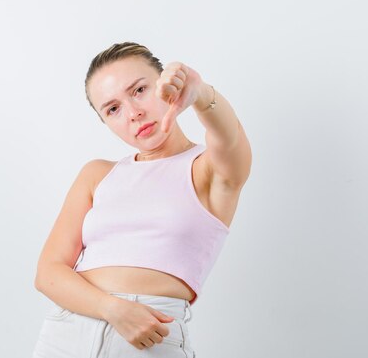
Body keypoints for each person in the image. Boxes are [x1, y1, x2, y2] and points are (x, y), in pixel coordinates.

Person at [32, 42, 252, 358]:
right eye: (113, 108)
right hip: (66, 334)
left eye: (139, 90)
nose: (134, 113)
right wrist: (113, 309)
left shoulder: (207, 170)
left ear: (166, 84)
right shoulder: (97, 175)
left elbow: (230, 137)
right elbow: (48, 272)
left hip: (147, 339)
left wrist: (200, 93)